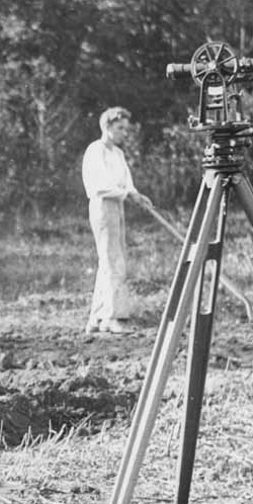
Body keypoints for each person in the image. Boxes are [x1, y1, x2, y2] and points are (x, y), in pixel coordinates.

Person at [81, 106, 153, 335]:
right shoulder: (96, 150)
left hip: (117, 205)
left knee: (111, 260)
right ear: (108, 127)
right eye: (120, 128)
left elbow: (126, 182)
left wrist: (136, 194)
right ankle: (110, 317)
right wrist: (126, 194)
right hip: (103, 206)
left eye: (126, 129)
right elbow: (100, 185)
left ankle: (95, 318)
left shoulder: (118, 154)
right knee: (112, 261)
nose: (124, 133)